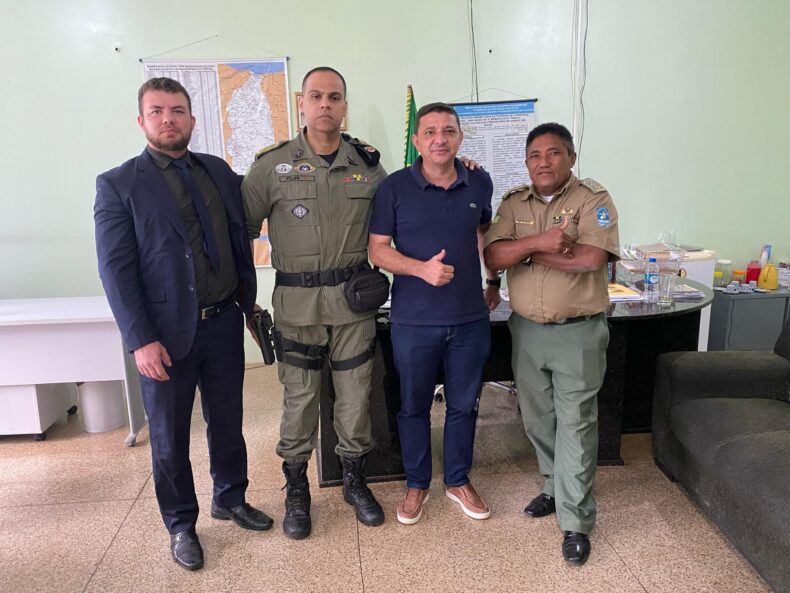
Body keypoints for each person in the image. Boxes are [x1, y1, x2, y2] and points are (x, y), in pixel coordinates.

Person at [94, 77, 273, 571]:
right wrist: (140, 340)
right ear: (142, 121)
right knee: (169, 437)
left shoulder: (219, 172)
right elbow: (115, 270)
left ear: (192, 120)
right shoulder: (118, 184)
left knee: (228, 422)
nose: (167, 119)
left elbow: (249, 221)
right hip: (163, 337)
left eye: (176, 110)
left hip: (222, 323)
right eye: (157, 111)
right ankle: (180, 524)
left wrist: (248, 306)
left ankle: (230, 498)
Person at [241, 67, 387, 539]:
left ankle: (354, 480)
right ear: (301, 103)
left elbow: (401, 212)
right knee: (299, 398)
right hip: (297, 305)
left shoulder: (368, 166)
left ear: (344, 106)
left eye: (335, 97)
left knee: (356, 397)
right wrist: (244, 300)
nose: (326, 104)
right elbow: (239, 232)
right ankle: (297, 488)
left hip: (352, 304)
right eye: (317, 96)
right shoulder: (272, 166)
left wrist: (457, 169)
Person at [483, 122, 619, 565]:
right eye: (535, 155)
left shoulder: (593, 199)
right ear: (526, 163)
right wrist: (542, 243)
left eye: (554, 153)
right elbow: (492, 255)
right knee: (538, 419)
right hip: (526, 331)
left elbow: (589, 259)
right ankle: (553, 486)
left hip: (577, 332)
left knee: (575, 422)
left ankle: (576, 520)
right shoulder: (513, 201)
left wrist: (522, 251)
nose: (543, 162)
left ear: (571, 158)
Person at [368, 102, 500, 525]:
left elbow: (483, 232)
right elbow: (377, 250)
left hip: (470, 319)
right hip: (413, 321)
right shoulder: (393, 188)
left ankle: (458, 480)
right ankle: (417, 483)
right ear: (416, 140)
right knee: (413, 407)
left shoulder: (479, 180)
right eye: (430, 132)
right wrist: (421, 269)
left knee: (464, 405)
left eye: (448, 131)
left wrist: (493, 280)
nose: (439, 139)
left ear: (460, 137)